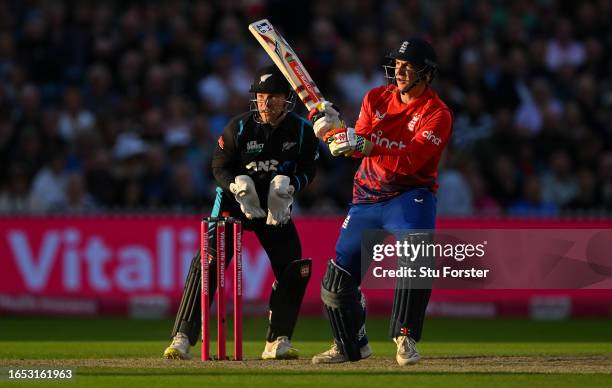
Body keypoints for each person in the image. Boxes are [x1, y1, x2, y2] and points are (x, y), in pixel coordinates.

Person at [309, 38, 453, 365]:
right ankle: (349, 345)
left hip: (410, 195)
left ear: (426, 74)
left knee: (416, 255)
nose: (399, 71)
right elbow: (357, 144)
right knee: (336, 282)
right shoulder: (375, 97)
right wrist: (334, 134)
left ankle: (405, 338)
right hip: (367, 197)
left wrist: (363, 144)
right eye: (397, 65)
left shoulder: (437, 114)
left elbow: (410, 163)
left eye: (408, 67)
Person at [163, 66, 319, 360]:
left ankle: (278, 340)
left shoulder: (301, 131)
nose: (265, 103)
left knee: (294, 267)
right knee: (207, 262)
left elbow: (309, 169)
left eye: (272, 97)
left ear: (287, 99)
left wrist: (292, 186)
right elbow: (218, 166)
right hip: (234, 204)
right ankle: (182, 336)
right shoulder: (239, 127)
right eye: (260, 97)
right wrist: (236, 184)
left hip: (273, 206)